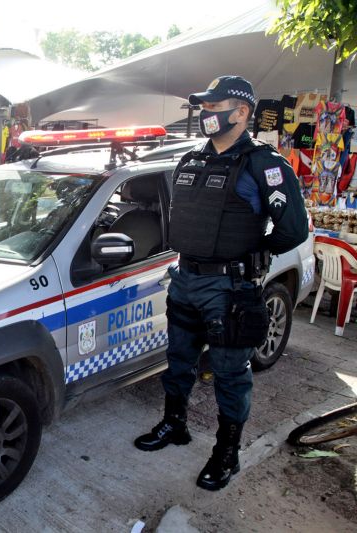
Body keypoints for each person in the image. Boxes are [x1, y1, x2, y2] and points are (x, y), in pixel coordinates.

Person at [133, 76, 309, 491]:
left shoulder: (265, 164)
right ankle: (174, 424)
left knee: (231, 374)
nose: (208, 114)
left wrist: (251, 253)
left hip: (230, 288)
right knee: (178, 363)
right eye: (205, 107)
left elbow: (293, 229)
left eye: (216, 106)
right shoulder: (192, 158)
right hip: (185, 279)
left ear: (243, 112)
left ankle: (226, 454)